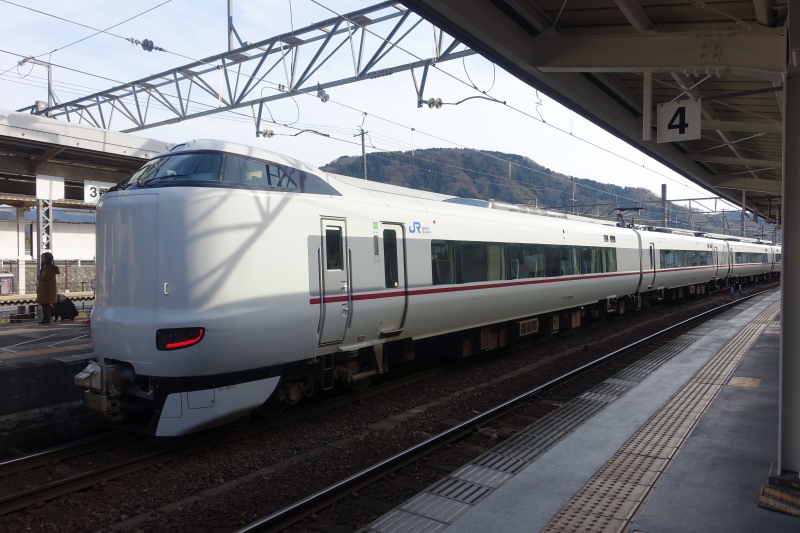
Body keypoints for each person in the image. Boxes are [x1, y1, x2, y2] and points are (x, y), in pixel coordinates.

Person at [36, 252, 60, 324]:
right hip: (44, 288)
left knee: (45, 304)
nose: (42, 259)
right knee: (44, 303)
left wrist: (38, 277)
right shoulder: (46, 266)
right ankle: (54, 313)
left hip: (48, 289)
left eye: (44, 258)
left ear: (48, 259)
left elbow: (45, 277)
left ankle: (46, 319)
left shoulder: (49, 267)